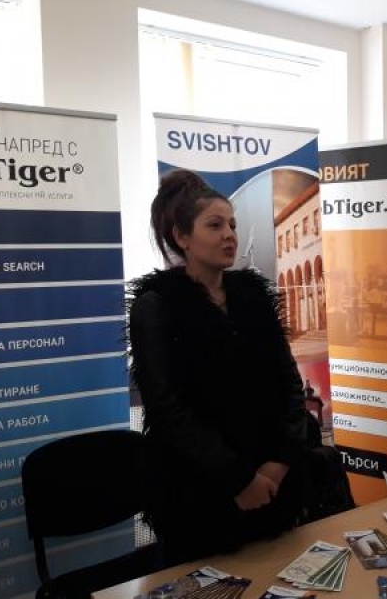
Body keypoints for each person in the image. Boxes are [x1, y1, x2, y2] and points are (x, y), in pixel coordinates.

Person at [127, 169, 319, 564]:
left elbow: (289, 384)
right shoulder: (157, 306)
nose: (229, 235)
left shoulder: (253, 296)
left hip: (273, 484)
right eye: (214, 226)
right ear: (182, 237)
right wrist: (240, 480)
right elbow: (168, 411)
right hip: (201, 495)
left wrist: (279, 463)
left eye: (232, 225)